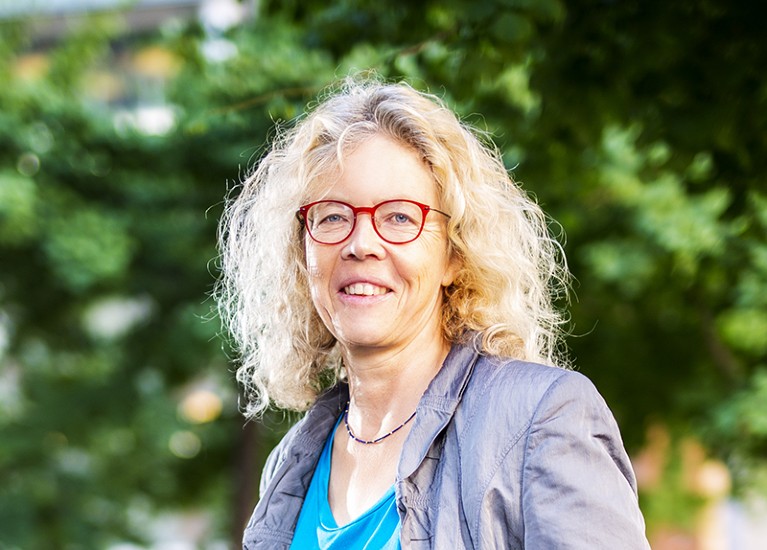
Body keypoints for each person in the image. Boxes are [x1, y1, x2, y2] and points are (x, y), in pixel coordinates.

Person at [217, 77, 651, 549]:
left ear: (454, 255)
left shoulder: (540, 422)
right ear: (302, 253)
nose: (361, 244)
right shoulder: (290, 466)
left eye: (400, 217)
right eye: (333, 216)